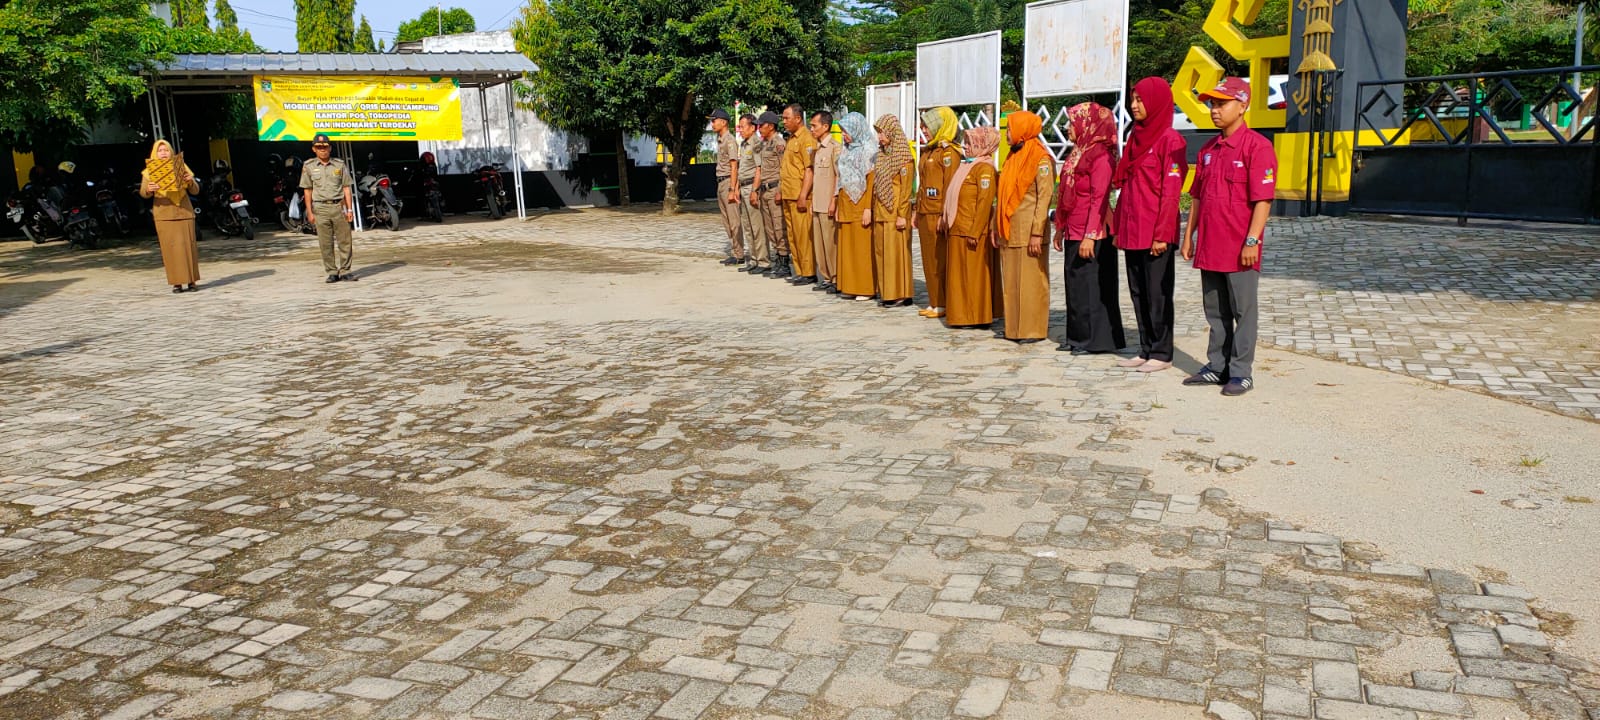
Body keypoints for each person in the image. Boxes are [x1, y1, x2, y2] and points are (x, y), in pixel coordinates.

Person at [1182, 77, 1277, 396]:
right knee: (1215, 310)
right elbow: (1196, 196)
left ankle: (1241, 372)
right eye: (1212, 103)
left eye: (1221, 103)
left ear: (1243, 105)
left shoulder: (1257, 147)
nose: (1214, 110)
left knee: (1243, 310)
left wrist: (1253, 240)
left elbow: (1262, 200)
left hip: (1240, 247)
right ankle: (1217, 366)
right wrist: (1188, 235)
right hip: (1210, 246)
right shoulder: (1209, 150)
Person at [1112, 77, 1188, 374]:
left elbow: (1170, 194)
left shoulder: (1170, 140)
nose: (1134, 105)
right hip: (1132, 231)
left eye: (1140, 100)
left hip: (1155, 232)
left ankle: (1162, 351)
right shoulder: (1136, 137)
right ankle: (1145, 347)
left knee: (1157, 293)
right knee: (1137, 291)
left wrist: (1161, 235)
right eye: (1133, 99)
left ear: (1156, 102)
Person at [1053, 103, 1126, 356]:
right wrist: (1060, 228)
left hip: (1093, 230)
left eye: (1072, 122)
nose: (1068, 128)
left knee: (1092, 286)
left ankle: (1094, 339)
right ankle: (1077, 336)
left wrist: (1090, 236)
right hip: (1074, 227)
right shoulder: (1078, 152)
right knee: (1074, 285)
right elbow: (1064, 193)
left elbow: (1100, 198)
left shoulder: (1101, 156)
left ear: (1088, 124)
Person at [995, 111, 1056, 343]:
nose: (1007, 134)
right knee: (1011, 282)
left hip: (1030, 231)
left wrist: (1037, 233)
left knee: (1031, 283)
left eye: (1010, 129)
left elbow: (1044, 198)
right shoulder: (1011, 157)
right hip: (1009, 231)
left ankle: (1032, 329)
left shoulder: (1041, 159)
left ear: (1022, 130)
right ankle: (1014, 328)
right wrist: (996, 227)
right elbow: (1001, 197)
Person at [941, 125, 999, 328]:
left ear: (983, 145)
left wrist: (975, 231)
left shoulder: (985, 169)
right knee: (959, 277)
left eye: (970, 143)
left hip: (971, 231)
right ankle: (961, 315)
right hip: (957, 227)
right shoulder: (967, 166)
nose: (965, 147)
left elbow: (984, 203)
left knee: (973, 276)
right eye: (965, 143)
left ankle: (976, 316)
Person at [915, 107, 961, 319]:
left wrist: (945, 214)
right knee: (928, 259)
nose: (923, 130)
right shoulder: (928, 151)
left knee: (940, 258)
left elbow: (951, 187)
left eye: (927, 126)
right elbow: (921, 183)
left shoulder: (949, 152)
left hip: (938, 213)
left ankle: (943, 301)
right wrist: (916, 209)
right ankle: (934, 301)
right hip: (925, 211)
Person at [139, 140, 201, 294]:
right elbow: (143, 193)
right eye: (160, 151)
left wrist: (190, 181)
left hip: (184, 212)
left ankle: (192, 281)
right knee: (170, 250)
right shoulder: (149, 171)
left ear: (171, 152)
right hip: (163, 214)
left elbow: (195, 191)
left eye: (166, 150)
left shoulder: (182, 167)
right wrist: (149, 189)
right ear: (155, 153)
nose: (163, 153)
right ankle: (177, 283)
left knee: (188, 247)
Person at [833, 112, 878, 301]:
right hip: (846, 202)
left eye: (846, 131)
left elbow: (871, 180)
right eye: (842, 131)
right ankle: (849, 285)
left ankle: (865, 288)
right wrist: (836, 204)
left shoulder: (869, 150)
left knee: (861, 248)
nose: (844, 135)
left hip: (861, 203)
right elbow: (841, 178)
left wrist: (868, 208)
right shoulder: (846, 149)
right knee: (847, 247)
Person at [871, 115, 916, 308]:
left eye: (882, 132)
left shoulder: (904, 158)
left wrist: (901, 215)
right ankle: (887, 292)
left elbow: (905, 191)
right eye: (878, 133)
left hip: (896, 212)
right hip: (881, 211)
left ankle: (900, 293)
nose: (880, 137)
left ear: (892, 132)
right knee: (882, 254)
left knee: (896, 255)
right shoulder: (881, 155)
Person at [300, 134, 357, 283]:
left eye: (325, 147)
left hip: (339, 206)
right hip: (320, 208)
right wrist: (310, 212)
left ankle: (345, 270)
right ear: (314, 149)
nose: (322, 150)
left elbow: (346, 188)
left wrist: (350, 210)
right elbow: (307, 190)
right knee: (325, 242)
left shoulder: (339, 165)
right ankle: (332, 271)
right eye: (319, 147)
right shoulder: (309, 166)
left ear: (330, 148)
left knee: (345, 240)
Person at [779, 104, 818, 285]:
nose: (784, 121)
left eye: (787, 118)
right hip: (788, 194)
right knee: (793, 235)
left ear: (798, 118)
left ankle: (809, 272)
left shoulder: (806, 139)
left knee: (803, 235)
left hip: (799, 196)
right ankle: (800, 270)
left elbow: (809, 170)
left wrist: (803, 195)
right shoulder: (791, 139)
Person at [752, 111, 789, 279]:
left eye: (762, 125)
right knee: (770, 228)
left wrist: (781, 190)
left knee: (778, 227)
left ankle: (784, 261)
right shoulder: (764, 144)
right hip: (765, 190)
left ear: (771, 126)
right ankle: (778, 259)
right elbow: (760, 169)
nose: (759, 128)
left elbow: (784, 169)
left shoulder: (779, 143)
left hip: (775, 189)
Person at [809, 111, 842, 294]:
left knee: (830, 244)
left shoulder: (834, 148)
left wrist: (833, 200)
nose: (812, 129)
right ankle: (826, 277)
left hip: (828, 202)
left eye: (814, 125)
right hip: (817, 202)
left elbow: (838, 176)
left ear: (825, 126)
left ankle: (836, 277)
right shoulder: (817, 149)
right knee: (820, 244)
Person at [710, 109, 745, 267]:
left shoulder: (729, 140)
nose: (712, 123)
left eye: (714, 120)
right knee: (726, 220)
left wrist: (733, 188)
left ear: (723, 122)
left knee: (734, 220)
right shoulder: (720, 139)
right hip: (721, 182)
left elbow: (734, 165)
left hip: (728, 182)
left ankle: (739, 254)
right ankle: (735, 251)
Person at [736, 114, 769, 275]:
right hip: (743, 187)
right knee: (747, 226)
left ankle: (763, 260)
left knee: (757, 226)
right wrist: (735, 188)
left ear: (752, 127)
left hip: (751, 187)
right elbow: (741, 168)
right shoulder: (743, 144)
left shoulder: (756, 144)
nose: (740, 130)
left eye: (743, 126)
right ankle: (754, 259)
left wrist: (755, 191)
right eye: (739, 127)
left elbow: (759, 169)